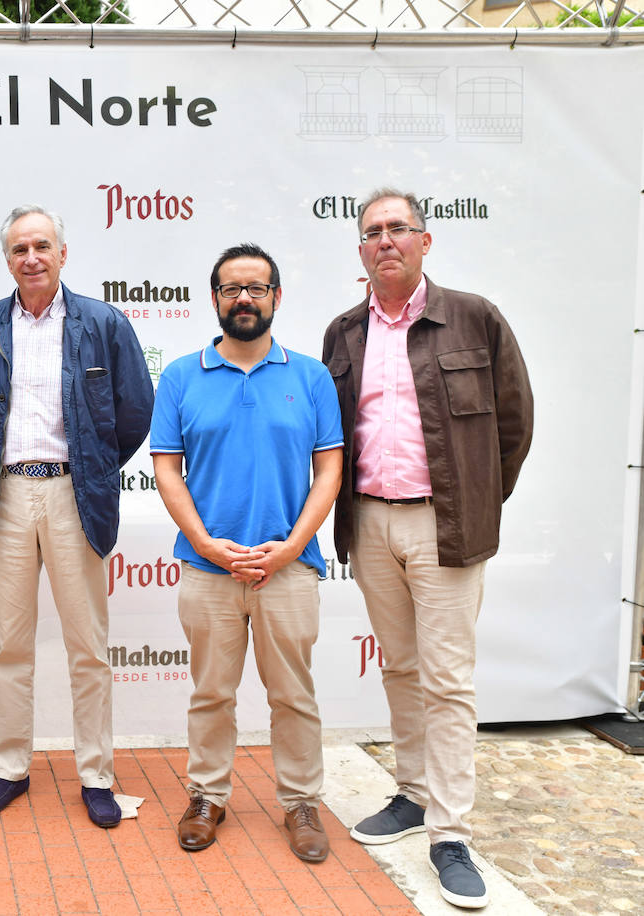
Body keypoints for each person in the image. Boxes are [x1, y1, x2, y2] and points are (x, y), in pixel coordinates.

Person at [322, 188, 533, 909]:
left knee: (448, 681)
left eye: (398, 229)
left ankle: (450, 833)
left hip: (444, 526)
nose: (385, 241)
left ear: (425, 240)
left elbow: (514, 426)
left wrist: (472, 501)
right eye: (373, 232)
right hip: (371, 523)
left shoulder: (474, 317)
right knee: (403, 668)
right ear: (360, 250)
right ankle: (412, 794)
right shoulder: (344, 333)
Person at [0, 204, 153, 828]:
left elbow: (134, 413)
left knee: (88, 647)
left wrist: (92, 466)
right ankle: (10, 766)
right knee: (9, 645)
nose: (32, 258)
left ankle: (96, 773)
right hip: (7, 495)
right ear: (8, 259)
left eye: (42, 246)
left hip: (75, 496)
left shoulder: (104, 323)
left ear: (63, 254)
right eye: (20, 249)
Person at [150, 243, 343, 863]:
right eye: (231, 289)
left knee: (294, 695)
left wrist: (290, 548)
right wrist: (206, 542)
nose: (244, 299)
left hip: (288, 568)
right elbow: (167, 469)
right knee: (212, 693)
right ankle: (207, 795)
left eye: (256, 288)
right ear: (214, 300)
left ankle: (301, 803)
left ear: (276, 298)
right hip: (209, 567)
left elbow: (330, 467)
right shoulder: (181, 375)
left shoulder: (311, 376)